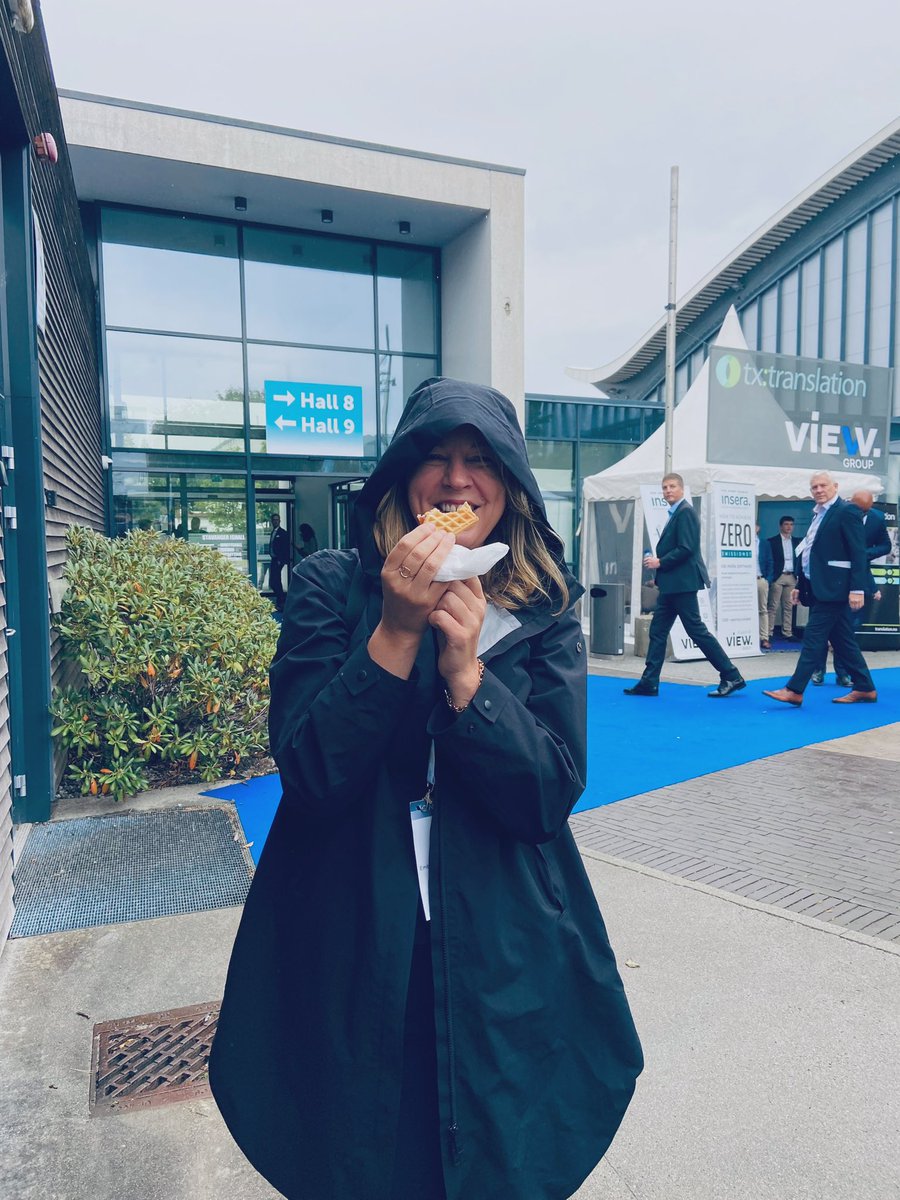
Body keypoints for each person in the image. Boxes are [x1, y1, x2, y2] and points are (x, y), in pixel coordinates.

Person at [209, 377, 643, 1200]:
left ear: (509, 483)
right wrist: (396, 630)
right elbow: (309, 773)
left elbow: (548, 794)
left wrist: (467, 675)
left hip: (503, 943)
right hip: (355, 934)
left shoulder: (544, 607)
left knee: (496, 1144)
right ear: (404, 479)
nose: (455, 480)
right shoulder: (330, 587)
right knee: (369, 1148)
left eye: (479, 460)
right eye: (435, 458)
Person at [624, 471, 745, 697]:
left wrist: (659, 562)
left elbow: (686, 548)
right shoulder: (676, 513)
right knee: (658, 631)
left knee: (696, 631)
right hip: (672, 585)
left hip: (682, 585)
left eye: (671, 486)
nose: (667, 491)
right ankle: (649, 682)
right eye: (664, 487)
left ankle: (731, 674)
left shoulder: (685, 512)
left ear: (681, 489)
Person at [763, 472, 877, 707]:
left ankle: (794, 690)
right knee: (843, 639)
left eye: (823, 485)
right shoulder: (817, 514)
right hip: (819, 587)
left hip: (836, 589)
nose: (818, 489)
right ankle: (865, 687)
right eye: (814, 486)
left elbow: (858, 551)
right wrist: (801, 586)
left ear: (835, 487)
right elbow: (809, 553)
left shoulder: (846, 511)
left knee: (814, 638)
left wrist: (857, 588)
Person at [811, 488, 890, 686]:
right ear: (850, 502)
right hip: (830, 580)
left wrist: (863, 553)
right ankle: (818, 670)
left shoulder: (877, 518)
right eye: (858, 509)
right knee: (822, 630)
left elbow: (885, 546)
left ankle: (843, 673)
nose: (861, 514)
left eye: (865, 511)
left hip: (856, 578)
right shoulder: (835, 513)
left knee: (845, 630)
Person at [766, 515, 801, 641]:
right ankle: (768, 632)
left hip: (791, 575)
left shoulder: (797, 541)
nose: (789, 527)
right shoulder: (772, 541)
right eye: (786, 524)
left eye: (791, 525)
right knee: (773, 606)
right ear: (781, 526)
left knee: (789, 606)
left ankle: (787, 632)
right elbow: (770, 560)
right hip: (778, 576)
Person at [756, 523, 775, 649]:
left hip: (759, 579)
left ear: (758, 528)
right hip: (742, 580)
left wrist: (767, 580)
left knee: (763, 609)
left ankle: (764, 637)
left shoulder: (763, 543)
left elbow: (770, 561)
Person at [268, 512, 290, 610]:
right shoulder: (273, 532)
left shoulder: (282, 533)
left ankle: (282, 601)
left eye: (277, 520)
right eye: (274, 520)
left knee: (276, 580)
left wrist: (281, 560)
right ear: (272, 521)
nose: (275, 521)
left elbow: (285, 547)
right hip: (273, 559)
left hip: (278, 560)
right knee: (273, 581)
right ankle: (281, 599)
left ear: (279, 521)